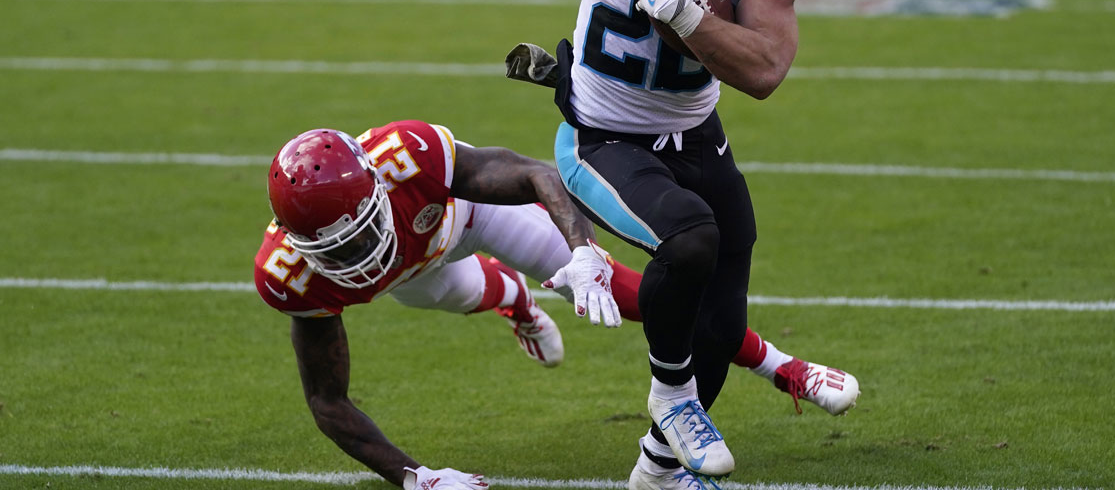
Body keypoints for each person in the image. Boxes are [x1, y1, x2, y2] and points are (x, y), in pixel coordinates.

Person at [424, 0, 828, 489]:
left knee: (723, 317)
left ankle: (657, 468)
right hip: (600, 135)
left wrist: (691, 20)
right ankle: (671, 397)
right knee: (691, 237)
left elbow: (766, 70)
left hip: (694, 133)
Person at [255, 121, 856, 490]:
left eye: (361, 228)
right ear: (296, 240)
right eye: (338, 245)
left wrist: (582, 251)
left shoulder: (405, 156)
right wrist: (416, 477)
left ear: (376, 187)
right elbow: (327, 401)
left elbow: (537, 175)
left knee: (635, 295)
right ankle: (513, 298)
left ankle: (780, 367)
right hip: (415, 272)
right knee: (464, 292)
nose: (361, 250)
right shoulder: (292, 278)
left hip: (470, 217)